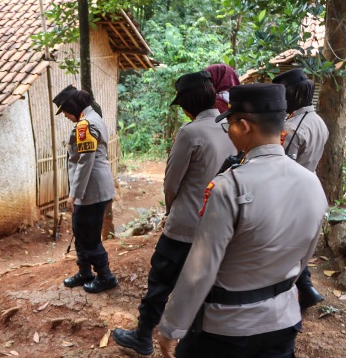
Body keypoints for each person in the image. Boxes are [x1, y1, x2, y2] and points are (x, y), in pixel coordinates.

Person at [156, 83, 328, 358]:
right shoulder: (312, 184)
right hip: (282, 321)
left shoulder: (230, 186)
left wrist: (172, 328)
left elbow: (201, 269)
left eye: (231, 125)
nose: (229, 132)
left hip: (226, 329)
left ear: (245, 126)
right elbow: (303, 258)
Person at [113, 71, 235, 355]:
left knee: (161, 283)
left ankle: (143, 336)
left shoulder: (190, 132)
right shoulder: (230, 128)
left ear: (187, 104)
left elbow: (171, 184)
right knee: (204, 285)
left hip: (184, 226)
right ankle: (197, 342)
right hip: (216, 227)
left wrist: (171, 211)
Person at [53, 85, 118, 294]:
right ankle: (85, 272)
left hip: (91, 190)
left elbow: (85, 162)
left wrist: (74, 194)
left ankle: (106, 276)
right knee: (80, 230)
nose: (64, 115)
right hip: (91, 188)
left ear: (72, 106)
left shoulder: (86, 125)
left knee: (88, 235)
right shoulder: (90, 119)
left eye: (64, 110)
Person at [273, 67, 329, 310]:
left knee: (283, 246)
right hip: (311, 189)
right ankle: (306, 289)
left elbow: (283, 165)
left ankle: (293, 292)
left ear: (292, 96)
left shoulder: (293, 126)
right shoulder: (319, 122)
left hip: (291, 193)